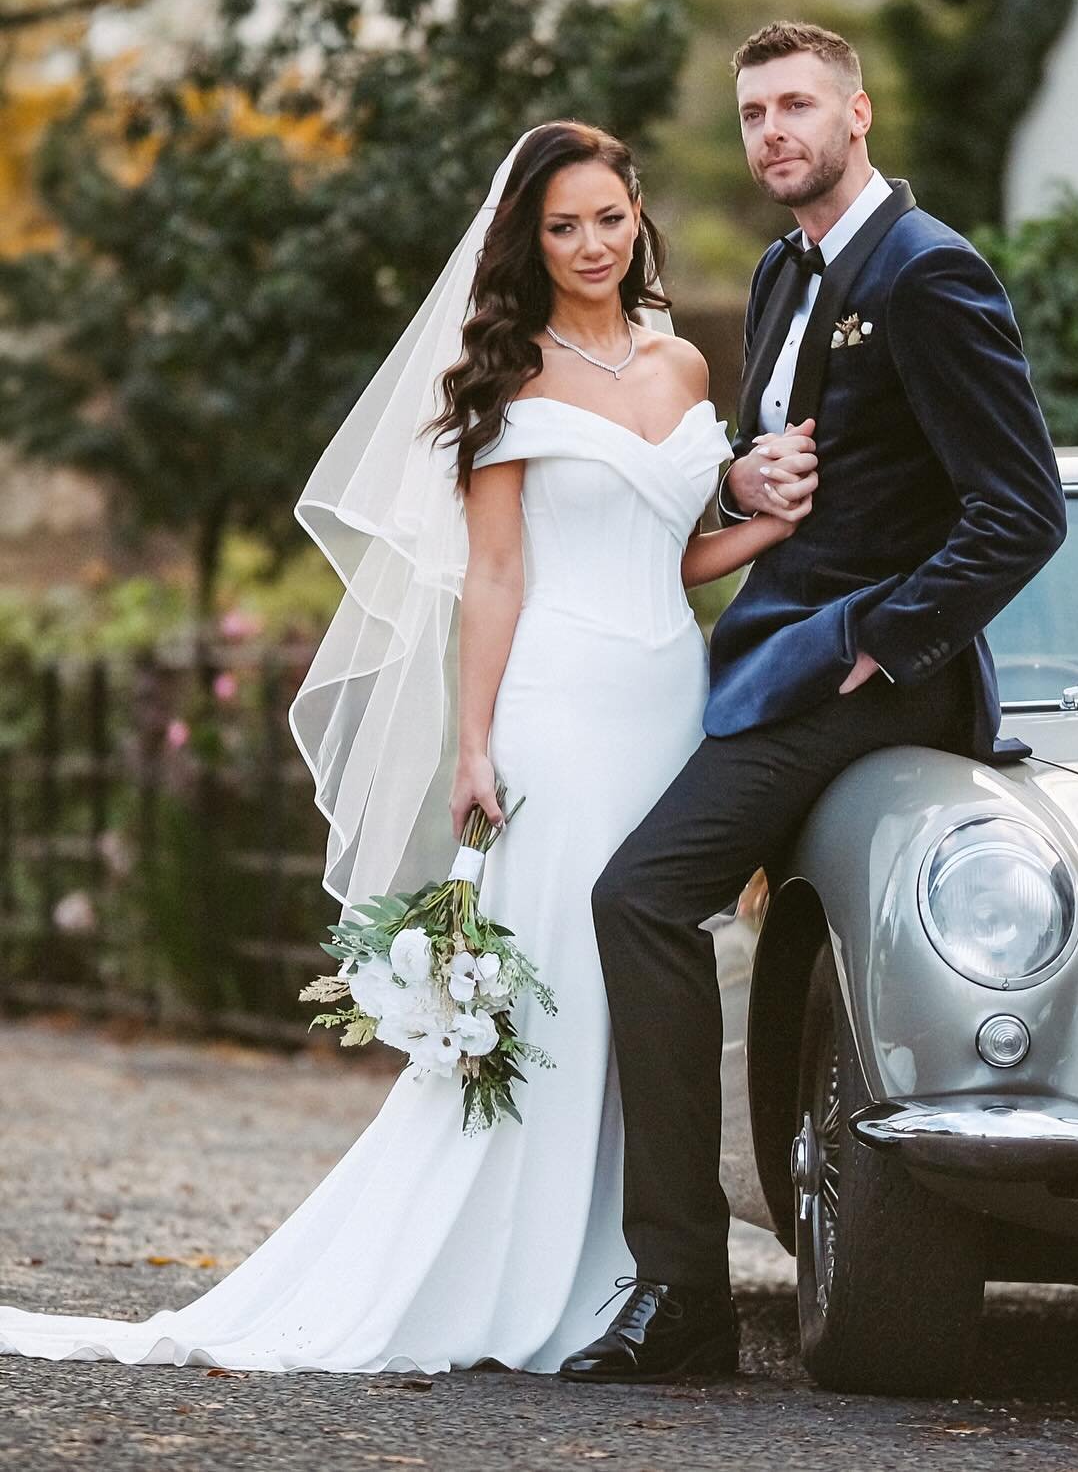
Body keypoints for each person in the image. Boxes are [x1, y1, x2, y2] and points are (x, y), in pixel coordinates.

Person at [0, 121, 797, 1375]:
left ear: (639, 212)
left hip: (668, 699)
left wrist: (764, 525)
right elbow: (494, 575)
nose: (591, 245)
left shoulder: (688, 367)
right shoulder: (505, 379)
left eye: (608, 217)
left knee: (643, 976)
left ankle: (650, 1270)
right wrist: (473, 744)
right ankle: (529, 1266)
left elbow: (673, 553)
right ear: (527, 243)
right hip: (557, 704)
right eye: (561, 226)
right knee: (559, 977)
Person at [561, 21, 1067, 1384]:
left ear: (858, 109)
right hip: (763, 655)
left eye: (796, 104)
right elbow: (767, 472)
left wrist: (885, 638)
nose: (772, 130)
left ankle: (682, 1293)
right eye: (752, 113)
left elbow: (1021, 511)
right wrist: (740, 485)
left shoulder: (928, 272)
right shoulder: (789, 269)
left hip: (864, 679)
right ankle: (678, 1265)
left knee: (641, 894)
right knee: (636, 892)